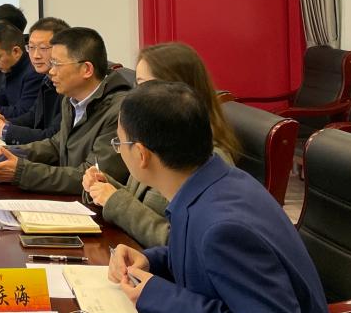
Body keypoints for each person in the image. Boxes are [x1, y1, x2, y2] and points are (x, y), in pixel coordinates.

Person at [108, 81, 335, 313]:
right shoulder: (212, 181)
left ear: (141, 154)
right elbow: (206, 263)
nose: (118, 149)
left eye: (119, 142)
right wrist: (151, 260)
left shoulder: (223, 228)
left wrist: (159, 296)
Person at [81, 41, 240, 248]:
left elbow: (179, 241)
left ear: (176, 90)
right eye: (137, 84)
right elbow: (140, 200)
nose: (135, 94)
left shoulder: (205, 155)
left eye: (145, 85)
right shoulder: (155, 134)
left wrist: (115, 201)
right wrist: (105, 187)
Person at [0, 27, 131, 192]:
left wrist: (22, 171)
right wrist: (13, 152)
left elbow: (93, 178)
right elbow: (57, 145)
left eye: (57, 64)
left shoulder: (119, 112)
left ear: (87, 69)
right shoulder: (71, 99)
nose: (52, 71)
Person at [0, 16, 69, 144]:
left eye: (43, 48)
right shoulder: (47, 80)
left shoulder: (70, 86)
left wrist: (5, 130)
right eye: (31, 47)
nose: (36, 56)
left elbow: (52, 137)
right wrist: (7, 123)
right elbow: (33, 116)